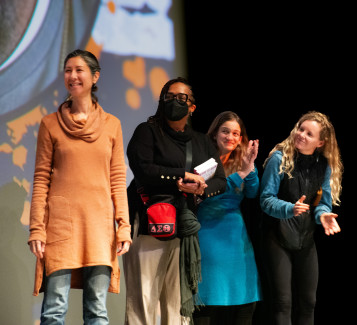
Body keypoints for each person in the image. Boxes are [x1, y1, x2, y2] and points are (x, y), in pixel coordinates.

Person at [28, 49, 132, 324]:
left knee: (97, 310)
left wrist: (124, 226)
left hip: (99, 228)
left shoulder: (112, 125)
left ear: (95, 76)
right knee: (54, 310)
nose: (72, 76)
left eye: (79, 70)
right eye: (67, 70)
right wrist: (37, 227)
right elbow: (41, 179)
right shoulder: (49, 124)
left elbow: (118, 180)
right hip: (61, 226)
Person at [124, 77, 227, 325]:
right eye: (169, 97)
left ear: (192, 107)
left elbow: (220, 181)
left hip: (183, 227)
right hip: (150, 223)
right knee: (143, 300)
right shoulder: (147, 131)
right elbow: (143, 169)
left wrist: (200, 188)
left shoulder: (202, 142)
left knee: (176, 305)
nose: (174, 102)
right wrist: (181, 176)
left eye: (182, 98)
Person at [259, 111, 343, 325]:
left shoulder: (323, 165)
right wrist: (290, 208)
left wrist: (323, 214)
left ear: (320, 142)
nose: (301, 135)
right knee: (283, 302)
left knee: (309, 302)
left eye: (309, 133)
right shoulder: (279, 158)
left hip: (305, 239)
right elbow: (266, 199)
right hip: (277, 237)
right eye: (300, 129)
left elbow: (322, 202)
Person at [192, 111, 262, 325]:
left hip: (237, 240)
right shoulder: (202, 161)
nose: (230, 137)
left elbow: (252, 192)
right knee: (208, 301)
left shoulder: (242, 160)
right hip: (208, 237)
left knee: (244, 303)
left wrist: (249, 168)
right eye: (225, 131)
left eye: (236, 133)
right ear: (214, 134)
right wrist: (238, 175)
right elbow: (200, 194)